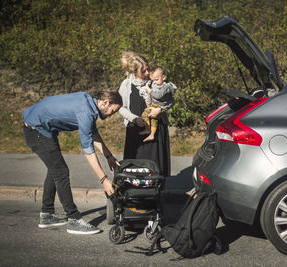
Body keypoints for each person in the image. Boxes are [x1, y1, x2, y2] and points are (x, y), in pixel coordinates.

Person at [22, 90, 122, 234]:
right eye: (113, 111)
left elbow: (93, 133)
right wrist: (104, 179)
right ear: (105, 103)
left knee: (55, 169)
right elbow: (88, 152)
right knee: (61, 171)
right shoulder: (86, 112)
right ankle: (74, 220)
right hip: (36, 130)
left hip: (42, 130)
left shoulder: (89, 102)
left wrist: (109, 156)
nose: (113, 115)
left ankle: (47, 214)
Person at [118, 51, 171, 177]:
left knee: (156, 167)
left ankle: (156, 193)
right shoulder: (126, 85)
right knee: (136, 168)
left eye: (148, 69)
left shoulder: (156, 82)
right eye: (143, 71)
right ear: (134, 72)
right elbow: (121, 107)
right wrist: (135, 119)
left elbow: (169, 101)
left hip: (156, 130)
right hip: (136, 131)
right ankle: (136, 193)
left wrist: (161, 110)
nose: (148, 73)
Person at [139, 66, 176, 142]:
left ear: (164, 77)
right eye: (153, 80)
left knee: (153, 119)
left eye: (156, 80)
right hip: (153, 105)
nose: (154, 82)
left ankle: (150, 132)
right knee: (148, 117)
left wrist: (150, 91)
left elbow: (158, 95)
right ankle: (149, 130)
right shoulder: (156, 83)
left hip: (159, 106)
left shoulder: (166, 87)